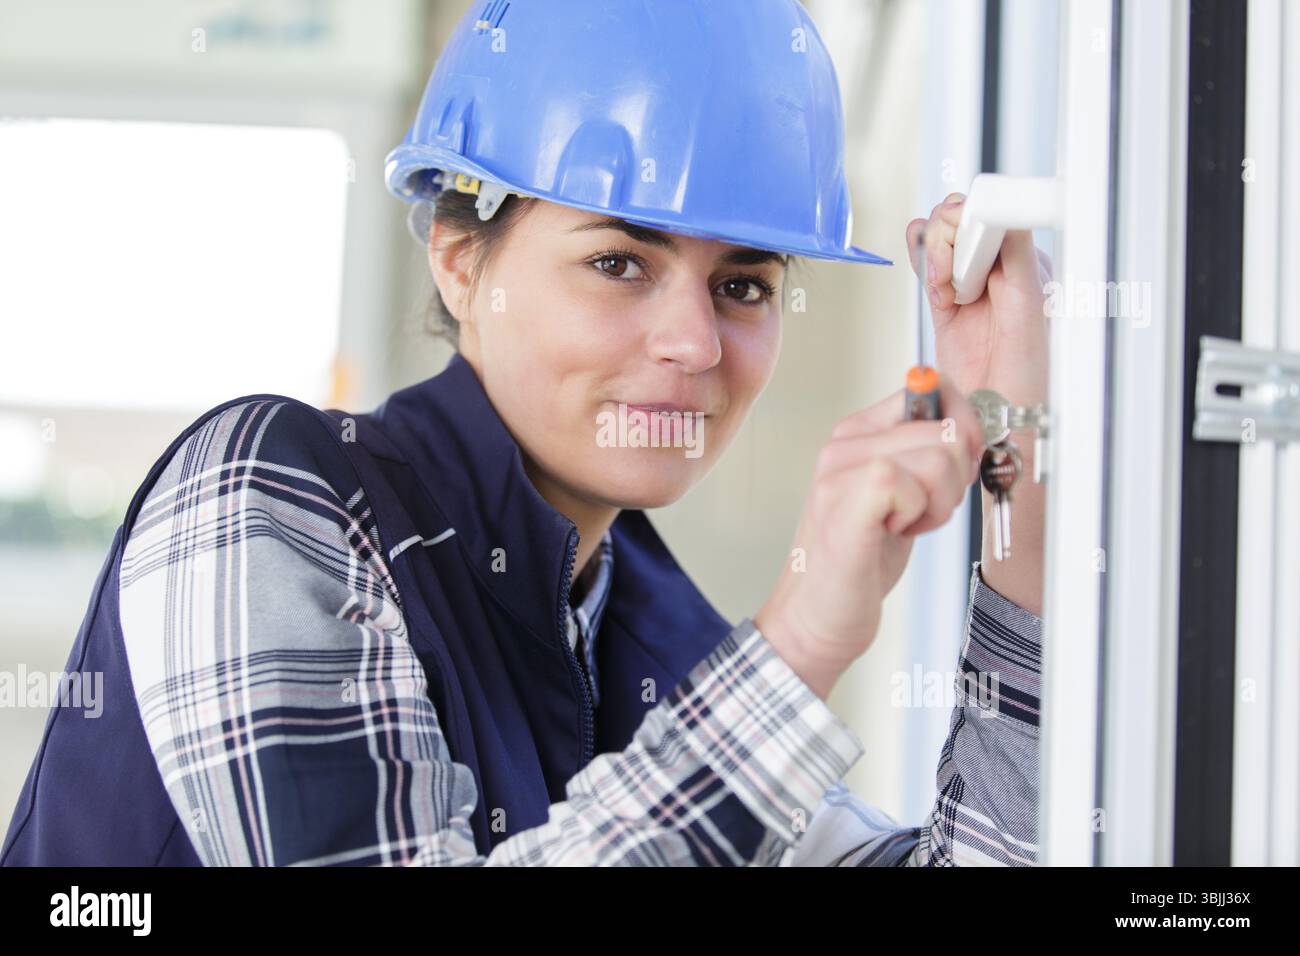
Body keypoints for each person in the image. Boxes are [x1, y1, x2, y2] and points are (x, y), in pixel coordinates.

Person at [1, 0, 1047, 867]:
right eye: (618, 262)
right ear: (460, 262)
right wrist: (804, 639)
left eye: (741, 284)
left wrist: (1019, 475)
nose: (693, 341)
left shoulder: (662, 642)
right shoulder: (261, 498)